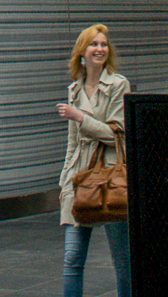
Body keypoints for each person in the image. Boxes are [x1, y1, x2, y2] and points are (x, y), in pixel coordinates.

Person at [56, 23, 129, 297]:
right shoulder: (73, 90)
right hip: (79, 178)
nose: (100, 49)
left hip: (110, 178)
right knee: (72, 258)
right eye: (94, 44)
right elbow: (72, 143)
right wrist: (64, 182)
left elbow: (116, 134)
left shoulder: (119, 84)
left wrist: (80, 117)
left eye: (104, 45)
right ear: (82, 53)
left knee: (122, 261)